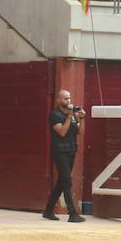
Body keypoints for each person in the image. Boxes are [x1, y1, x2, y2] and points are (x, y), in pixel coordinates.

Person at [43, 88, 85, 222]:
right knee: (67, 181)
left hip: (71, 151)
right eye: (65, 98)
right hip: (60, 152)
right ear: (59, 100)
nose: (68, 101)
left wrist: (82, 119)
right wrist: (69, 116)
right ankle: (72, 213)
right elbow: (61, 132)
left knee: (62, 182)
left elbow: (80, 132)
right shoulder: (55, 115)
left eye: (69, 98)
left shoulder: (71, 116)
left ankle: (48, 211)